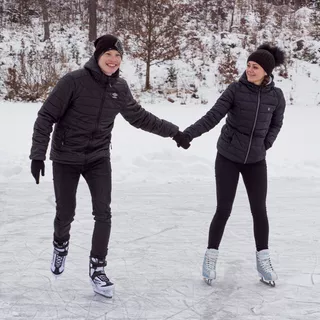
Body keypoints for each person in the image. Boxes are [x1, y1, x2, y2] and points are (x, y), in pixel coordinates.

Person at [30, 34, 185, 298]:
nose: (113, 60)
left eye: (117, 56)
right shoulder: (73, 82)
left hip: (98, 157)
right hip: (66, 156)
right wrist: (38, 155)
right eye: (108, 55)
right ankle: (60, 244)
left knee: (103, 213)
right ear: (98, 56)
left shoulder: (119, 88)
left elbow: (140, 117)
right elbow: (46, 116)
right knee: (66, 213)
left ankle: (98, 268)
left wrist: (174, 132)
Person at [174, 44, 286, 286]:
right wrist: (189, 134)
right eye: (248, 65)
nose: (249, 70)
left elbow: (276, 124)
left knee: (260, 210)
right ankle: (210, 257)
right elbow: (213, 116)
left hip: (256, 160)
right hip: (228, 157)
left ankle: (263, 260)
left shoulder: (276, 97)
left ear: (266, 71)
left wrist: (265, 144)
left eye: (255, 67)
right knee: (223, 209)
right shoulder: (235, 90)